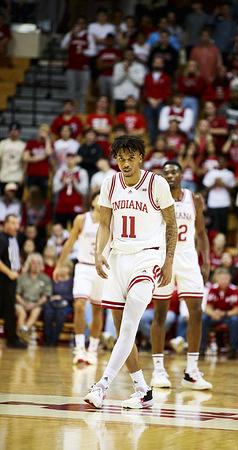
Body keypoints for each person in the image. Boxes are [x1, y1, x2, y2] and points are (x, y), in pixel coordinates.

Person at [83, 135, 177, 409]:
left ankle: (100, 386)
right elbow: (103, 224)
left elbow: (171, 224)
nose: (125, 163)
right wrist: (99, 254)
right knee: (122, 332)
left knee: (128, 329)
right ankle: (142, 389)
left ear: (140, 157)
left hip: (147, 257)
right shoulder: (110, 183)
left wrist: (168, 260)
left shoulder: (156, 183)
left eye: (129, 157)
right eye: (120, 158)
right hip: (117, 259)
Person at [150, 161, 212, 390]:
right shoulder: (155, 199)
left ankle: (192, 371)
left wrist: (207, 260)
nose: (170, 175)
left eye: (174, 171)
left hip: (188, 259)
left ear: (182, 174)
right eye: (166, 172)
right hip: (164, 258)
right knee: (160, 314)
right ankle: (158, 370)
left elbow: (202, 233)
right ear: (162, 177)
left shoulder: (194, 199)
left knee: (196, 312)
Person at [53, 193, 109, 365]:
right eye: (98, 197)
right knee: (79, 306)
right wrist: (59, 265)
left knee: (97, 310)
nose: (101, 200)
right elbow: (69, 243)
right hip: (84, 266)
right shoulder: (81, 219)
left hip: (102, 268)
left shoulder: (111, 221)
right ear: (92, 201)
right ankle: (79, 348)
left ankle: (92, 349)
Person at [200, 267, 238, 359]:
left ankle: (233, 349)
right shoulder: (213, 289)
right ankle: (201, 348)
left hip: (227, 316)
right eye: (221, 279)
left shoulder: (234, 290)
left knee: (235, 320)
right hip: (215, 316)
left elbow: (237, 311)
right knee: (204, 318)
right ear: (217, 279)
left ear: (230, 279)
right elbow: (207, 308)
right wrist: (213, 314)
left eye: (226, 279)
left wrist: (223, 314)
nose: (223, 281)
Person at [61, 16, 96, 113]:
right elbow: (63, 46)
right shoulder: (71, 34)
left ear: (85, 25)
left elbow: (93, 51)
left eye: (82, 23)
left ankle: (81, 112)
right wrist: (71, 34)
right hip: (71, 67)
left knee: (83, 93)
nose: (80, 25)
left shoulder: (88, 36)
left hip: (84, 68)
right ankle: (70, 112)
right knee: (71, 92)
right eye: (78, 23)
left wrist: (84, 51)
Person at [0, 214, 26, 348]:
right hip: (4, 279)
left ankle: (12, 337)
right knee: (8, 310)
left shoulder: (13, 239)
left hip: (12, 279)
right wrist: (9, 272)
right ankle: (12, 339)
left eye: (17, 223)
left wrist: (18, 267)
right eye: (13, 223)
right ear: (6, 224)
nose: (16, 226)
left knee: (8, 309)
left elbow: (11, 257)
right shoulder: (2, 239)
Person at [15, 252, 52, 344]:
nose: (35, 265)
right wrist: (24, 304)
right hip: (22, 302)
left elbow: (45, 296)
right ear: (29, 264)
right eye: (33, 262)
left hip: (37, 304)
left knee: (36, 312)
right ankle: (24, 335)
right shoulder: (22, 278)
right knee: (21, 313)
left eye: (38, 263)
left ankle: (22, 333)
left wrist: (34, 305)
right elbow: (17, 294)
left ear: (41, 264)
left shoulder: (45, 278)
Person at [52, 149, 89, 228]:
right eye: (68, 158)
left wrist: (75, 183)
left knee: (76, 229)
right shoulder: (60, 172)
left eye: (72, 158)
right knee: (61, 229)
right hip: (62, 207)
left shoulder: (82, 172)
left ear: (76, 160)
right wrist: (63, 183)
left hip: (76, 206)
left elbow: (84, 192)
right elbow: (54, 189)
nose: (70, 161)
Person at [202, 154, 236, 236]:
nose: (221, 162)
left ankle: (223, 246)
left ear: (226, 163)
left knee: (223, 227)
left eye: (223, 161)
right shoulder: (211, 173)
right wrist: (215, 184)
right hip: (212, 204)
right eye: (219, 161)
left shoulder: (229, 174)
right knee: (211, 228)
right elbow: (205, 189)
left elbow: (233, 191)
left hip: (224, 204)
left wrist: (223, 184)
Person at [44, 259, 74, 346]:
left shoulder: (72, 281)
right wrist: (52, 297)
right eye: (61, 267)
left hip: (66, 305)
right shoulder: (54, 280)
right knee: (48, 313)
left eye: (65, 267)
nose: (62, 269)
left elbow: (73, 296)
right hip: (53, 304)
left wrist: (61, 297)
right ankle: (48, 339)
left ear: (70, 269)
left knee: (60, 314)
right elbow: (49, 292)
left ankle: (54, 339)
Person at [112, 46, 146, 115]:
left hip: (133, 98)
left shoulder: (140, 67)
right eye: (127, 55)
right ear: (124, 55)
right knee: (119, 120)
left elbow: (140, 83)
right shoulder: (118, 66)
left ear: (133, 55)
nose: (129, 56)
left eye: (131, 54)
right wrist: (124, 71)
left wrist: (129, 72)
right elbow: (115, 81)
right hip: (119, 97)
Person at [22, 124, 53, 198]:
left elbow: (49, 153)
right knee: (31, 194)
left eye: (45, 131)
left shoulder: (49, 144)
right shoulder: (31, 143)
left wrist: (47, 139)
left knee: (43, 195)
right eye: (41, 130)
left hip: (44, 174)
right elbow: (25, 158)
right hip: (32, 173)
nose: (42, 133)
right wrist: (40, 158)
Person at [0, 122, 26, 198]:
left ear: (19, 132)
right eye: (12, 130)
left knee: (17, 200)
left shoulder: (23, 145)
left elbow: (25, 162)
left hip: (17, 176)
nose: (14, 132)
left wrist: (23, 176)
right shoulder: (3, 143)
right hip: (4, 176)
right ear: (9, 131)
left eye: (16, 130)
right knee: (2, 200)